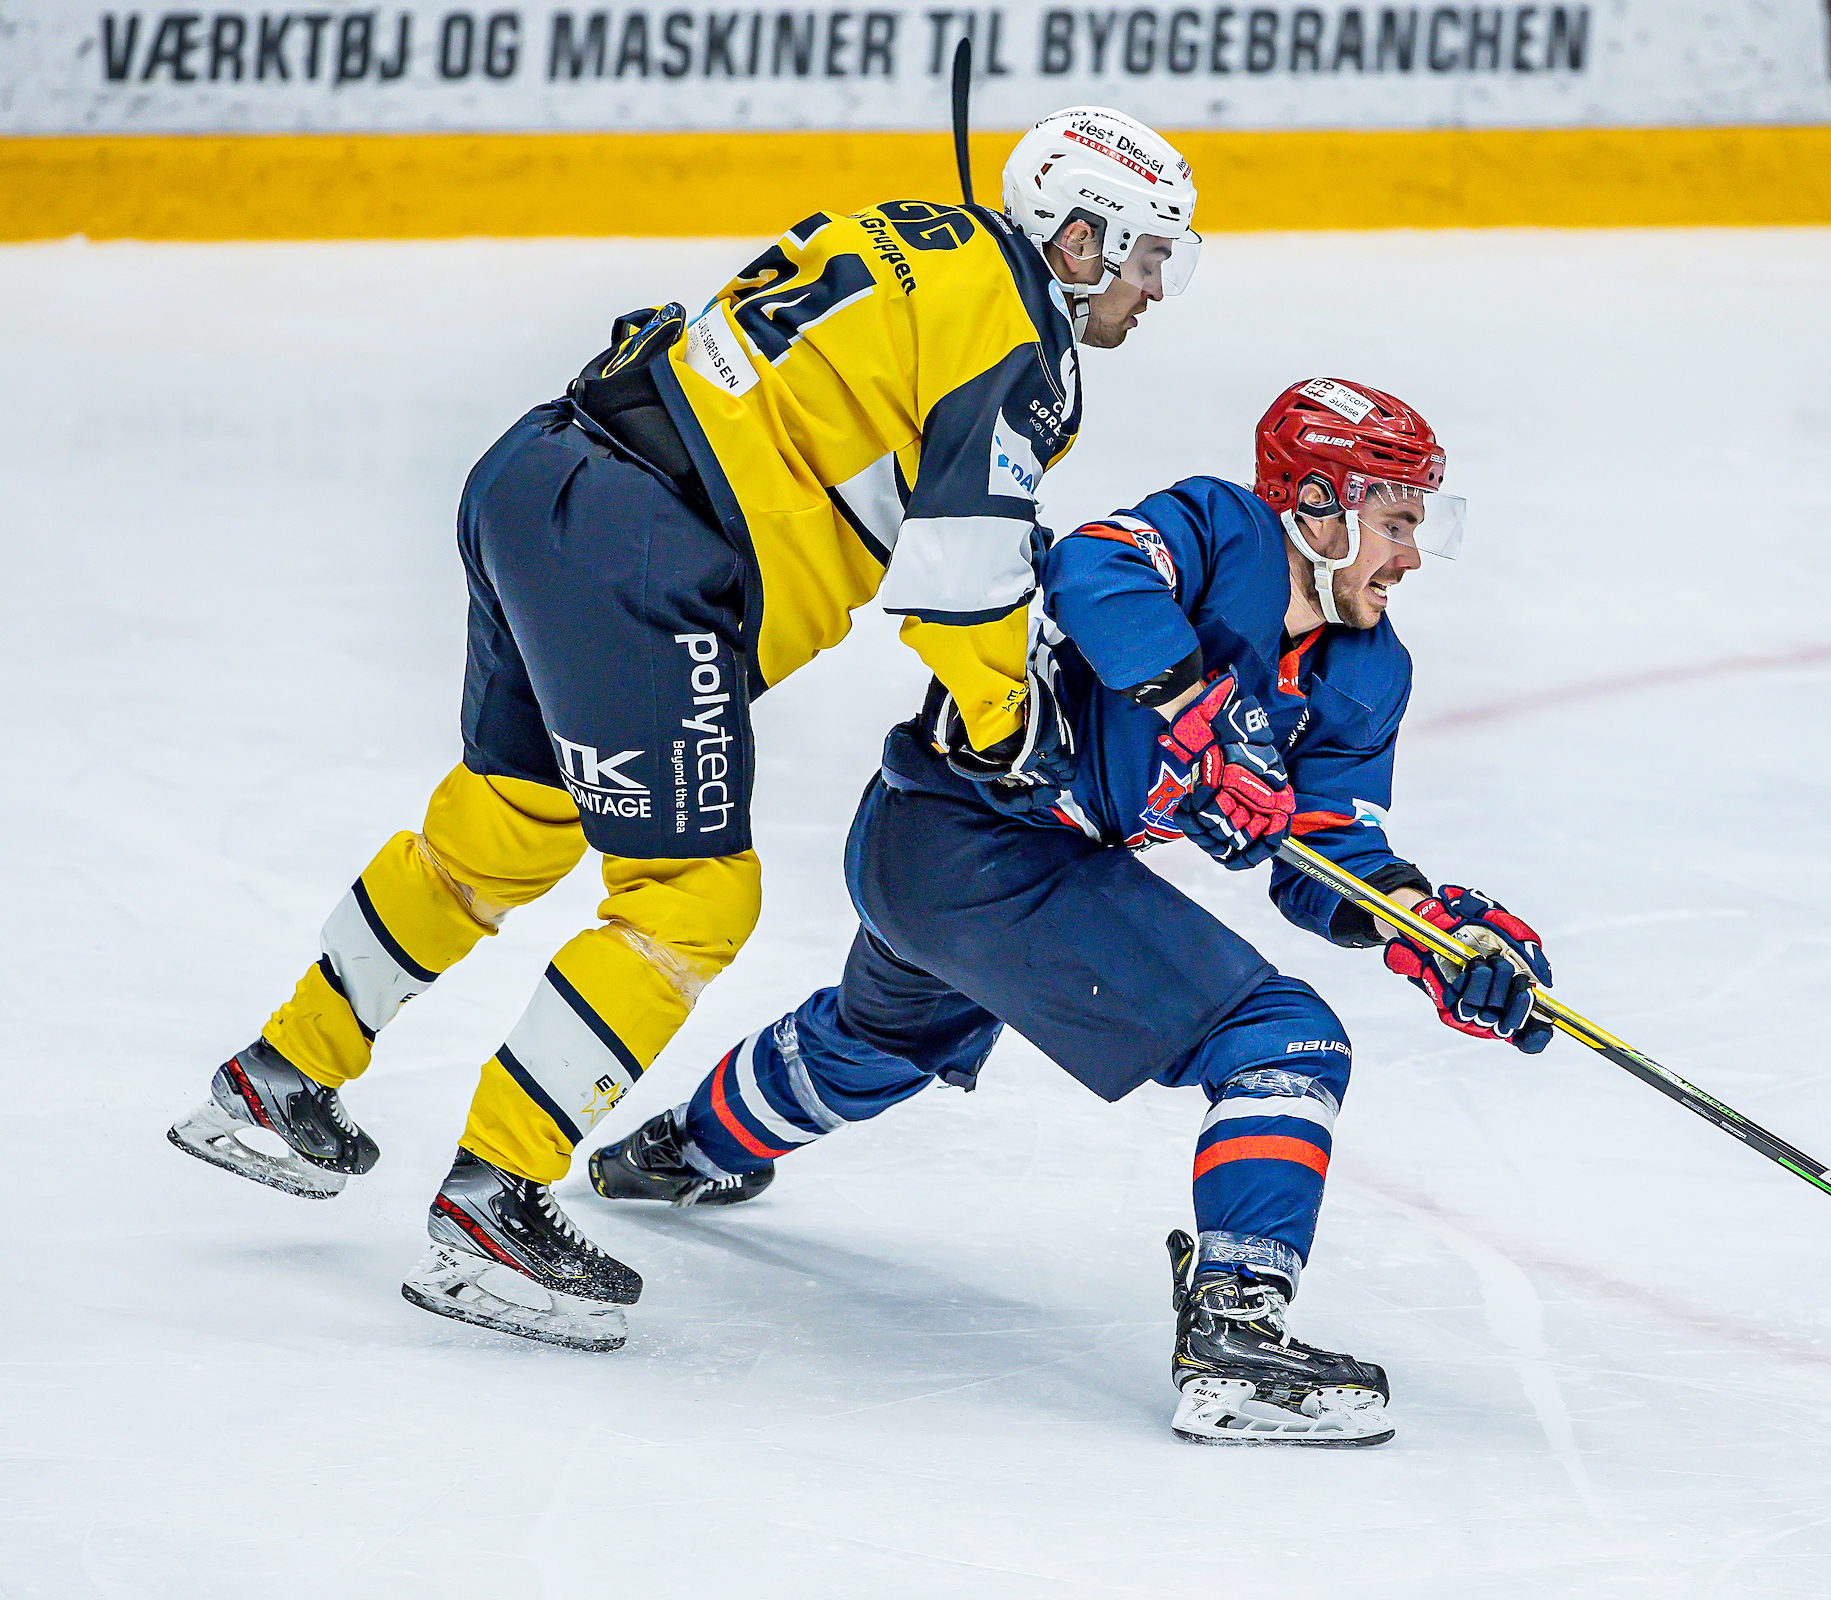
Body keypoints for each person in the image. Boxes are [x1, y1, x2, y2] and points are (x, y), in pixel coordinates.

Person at [167, 108, 1204, 1353]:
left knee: (509, 820)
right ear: (1078, 239)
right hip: (647, 560)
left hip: (543, 473)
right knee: (693, 895)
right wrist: (1010, 724)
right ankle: (496, 1197)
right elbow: (959, 577)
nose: (1155, 288)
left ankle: (282, 1075)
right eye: (1149, 255)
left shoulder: (917, 233)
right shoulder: (1026, 344)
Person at [587, 379, 1556, 1443]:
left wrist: (1429, 931)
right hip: (968, 831)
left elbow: (1327, 851)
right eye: (1398, 522)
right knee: (1284, 1040)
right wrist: (1198, 708)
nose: (1412, 555)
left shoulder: (1367, 670)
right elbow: (1092, 567)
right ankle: (1234, 1335)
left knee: (878, 1043)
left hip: (956, 868)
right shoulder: (1221, 530)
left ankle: (683, 1149)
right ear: (1319, 503)